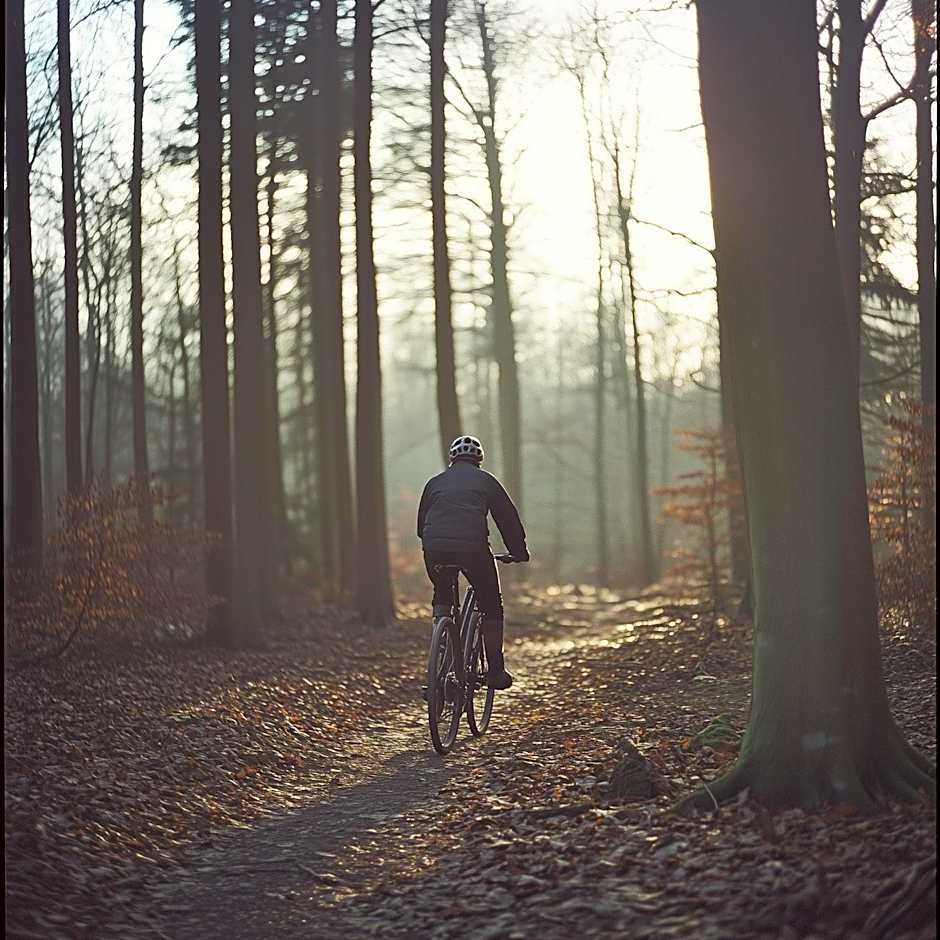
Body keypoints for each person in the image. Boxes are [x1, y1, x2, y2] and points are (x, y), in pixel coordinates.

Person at [417, 435, 529, 690]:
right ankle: (496, 671)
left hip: (435, 549)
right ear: (478, 460)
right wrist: (518, 551)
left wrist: (436, 545)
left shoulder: (434, 483)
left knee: (443, 593)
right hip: (473, 550)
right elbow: (507, 519)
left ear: (452, 459)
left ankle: (439, 661)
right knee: (491, 604)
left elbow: (421, 526)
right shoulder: (486, 481)